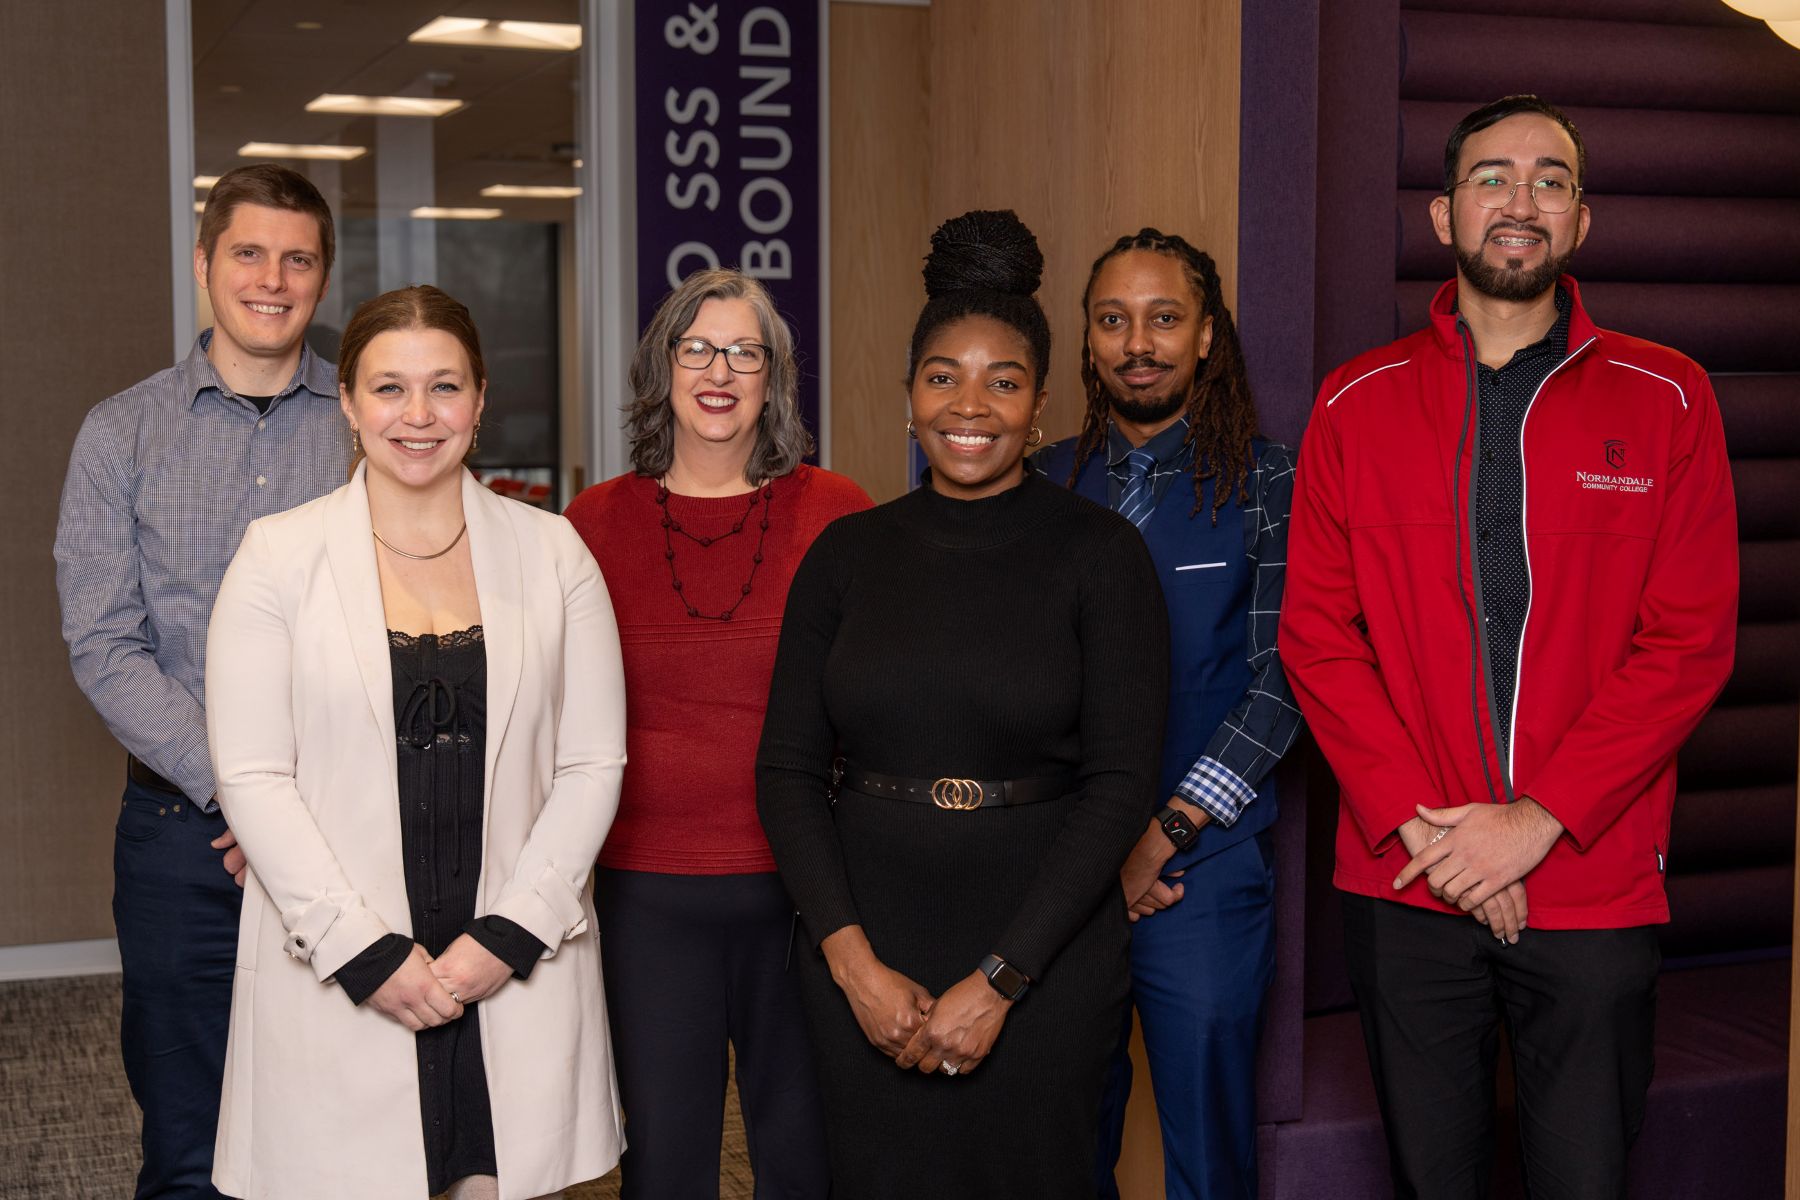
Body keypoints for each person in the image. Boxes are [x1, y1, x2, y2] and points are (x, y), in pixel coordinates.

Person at [1281, 95, 1738, 1198]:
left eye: (1550, 179)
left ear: (1581, 219)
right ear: (1443, 214)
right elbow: (1317, 638)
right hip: (1409, 880)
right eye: (1492, 177)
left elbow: (1689, 641)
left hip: (1592, 878)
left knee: (1584, 1180)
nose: (1520, 200)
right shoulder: (1355, 403)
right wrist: (1443, 841)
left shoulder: (1671, 396)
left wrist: (1531, 825)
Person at [756, 209, 1170, 1198]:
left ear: (1039, 408)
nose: (969, 404)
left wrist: (1000, 983)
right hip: (866, 945)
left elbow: (1119, 786)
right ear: (908, 399)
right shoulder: (847, 556)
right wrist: (853, 969)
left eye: (1004, 380)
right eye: (943, 376)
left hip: (1046, 957)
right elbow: (785, 771)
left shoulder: (1100, 555)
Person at [203, 286, 627, 1199]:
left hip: (509, 963)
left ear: (479, 399)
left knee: (497, 1178)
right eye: (389, 388)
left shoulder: (557, 553)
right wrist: (362, 951)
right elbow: (252, 777)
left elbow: (591, 764)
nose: (419, 415)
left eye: (444, 386)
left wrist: (512, 934)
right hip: (341, 966)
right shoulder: (276, 558)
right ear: (348, 404)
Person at [53, 163, 345, 1199]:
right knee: (189, 1148)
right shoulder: (119, 434)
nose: (273, 278)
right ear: (203, 265)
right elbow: (103, 640)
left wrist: (298, 802)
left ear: (322, 277)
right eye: (249, 253)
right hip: (183, 841)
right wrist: (244, 789)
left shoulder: (368, 427)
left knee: (340, 1138)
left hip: (344, 834)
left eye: (298, 258)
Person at [563, 267, 869, 1197]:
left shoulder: (837, 512)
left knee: (804, 1153)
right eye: (697, 348)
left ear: (774, 377)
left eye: (746, 351)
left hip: (803, 890)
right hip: (646, 893)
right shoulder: (590, 525)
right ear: (663, 369)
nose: (720, 370)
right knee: (665, 1158)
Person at [1034, 227, 1303, 1200]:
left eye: (1162, 319)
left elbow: (1284, 682)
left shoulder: (1269, 482)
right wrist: (1093, 849)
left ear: (1205, 338)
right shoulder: (1038, 483)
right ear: (1088, 338)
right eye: (1112, 321)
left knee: (1206, 1154)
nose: (1135, 342)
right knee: (1060, 1143)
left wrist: (1163, 834)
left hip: (1205, 871)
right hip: (1055, 873)